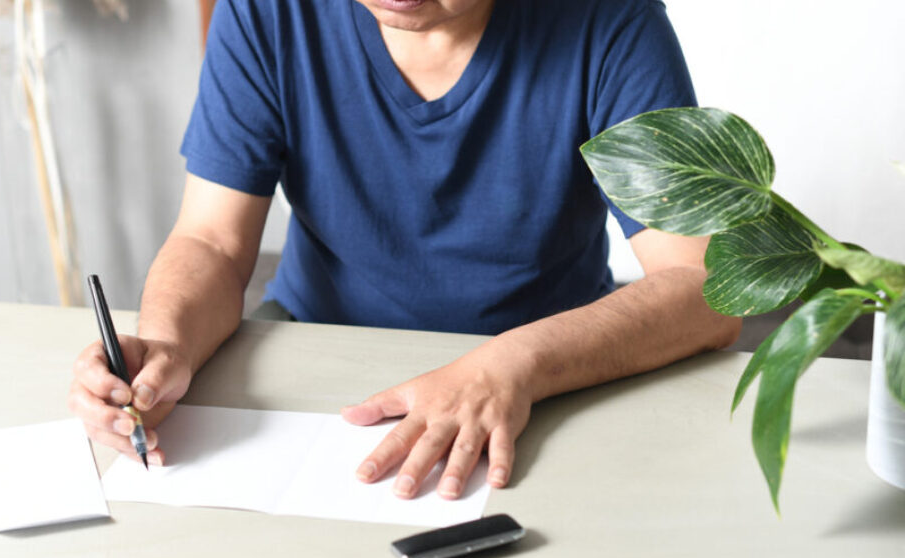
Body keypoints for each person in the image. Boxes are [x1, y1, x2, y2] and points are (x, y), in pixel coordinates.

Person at [68, 0, 741, 501]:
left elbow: (708, 288)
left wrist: (515, 364)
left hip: (550, 370)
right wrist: (166, 347)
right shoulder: (267, 10)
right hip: (321, 346)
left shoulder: (612, 21)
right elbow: (211, 240)